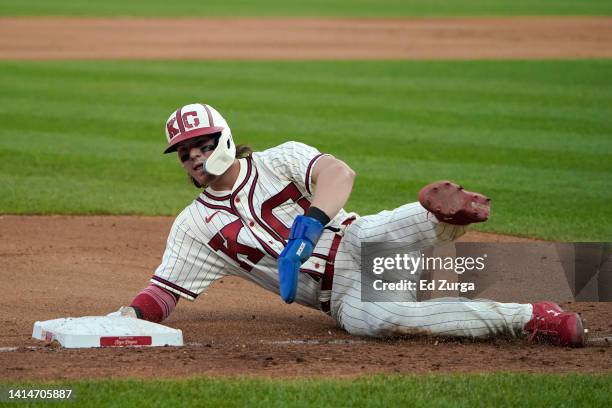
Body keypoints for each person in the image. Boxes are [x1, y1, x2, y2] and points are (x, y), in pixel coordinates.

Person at [110, 102, 586, 347]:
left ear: (226, 139)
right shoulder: (194, 225)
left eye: (203, 144)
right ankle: (531, 317)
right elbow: (164, 291)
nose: (194, 158)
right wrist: (126, 318)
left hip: (361, 241)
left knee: (392, 230)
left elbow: (339, 174)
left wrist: (308, 229)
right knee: (381, 321)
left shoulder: (281, 159)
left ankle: (442, 216)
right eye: (185, 154)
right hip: (340, 299)